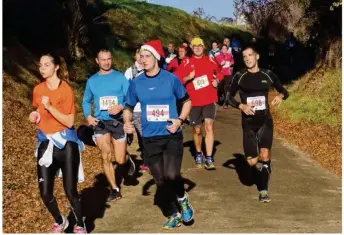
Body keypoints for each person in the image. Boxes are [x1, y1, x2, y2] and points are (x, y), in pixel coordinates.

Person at [123, 40, 194, 229]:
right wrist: (127, 122)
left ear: (156, 58)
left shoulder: (171, 79)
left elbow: (187, 101)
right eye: (141, 56)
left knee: (171, 175)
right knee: (160, 180)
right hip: (150, 138)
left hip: (171, 134)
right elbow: (128, 107)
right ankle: (173, 213)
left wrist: (180, 120)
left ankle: (182, 198)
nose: (143, 60)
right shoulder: (136, 83)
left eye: (147, 56)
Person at [29, 53, 87, 233]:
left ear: (56, 67)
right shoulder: (38, 89)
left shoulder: (65, 90)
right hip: (46, 142)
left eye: (46, 65)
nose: (42, 68)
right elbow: (38, 111)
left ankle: (80, 224)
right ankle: (60, 220)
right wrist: (34, 115)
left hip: (66, 142)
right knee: (45, 193)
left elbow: (70, 122)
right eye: (40, 65)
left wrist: (49, 107)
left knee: (70, 191)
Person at [227, 46, 289, 202]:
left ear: (257, 56)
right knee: (252, 161)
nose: (247, 58)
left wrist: (280, 96)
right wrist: (241, 106)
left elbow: (284, 91)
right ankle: (261, 168)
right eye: (244, 56)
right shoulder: (240, 76)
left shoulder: (267, 75)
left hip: (265, 121)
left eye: (250, 55)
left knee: (265, 154)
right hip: (248, 124)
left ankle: (263, 189)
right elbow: (227, 97)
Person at [82, 48, 135, 201]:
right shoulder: (92, 81)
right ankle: (115, 189)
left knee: (119, 160)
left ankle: (126, 157)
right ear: (97, 61)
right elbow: (85, 100)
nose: (106, 62)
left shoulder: (120, 78)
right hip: (101, 122)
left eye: (109, 59)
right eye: (103, 59)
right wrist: (88, 116)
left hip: (117, 121)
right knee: (105, 155)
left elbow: (130, 97)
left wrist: (120, 106)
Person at [177, 37, 224, 170]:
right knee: (197, 130)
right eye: (194, 46)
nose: (197, 48)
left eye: (200, 46)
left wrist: (217, 81)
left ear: (203, 47)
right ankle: (199, 153)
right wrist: (188, 77)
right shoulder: (186, 61)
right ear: (191, 48)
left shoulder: (210, 60)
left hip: (209, 99)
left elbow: (220, 73)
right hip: (194, 101)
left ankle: (209, 158)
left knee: (209, 126)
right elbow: (177, 79)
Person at [124, 46, 149, 173]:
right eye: (139, 53)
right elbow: (126, 91)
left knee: (150, 134)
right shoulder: (129, 72)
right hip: (137, 109)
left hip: (150, 108)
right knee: (142, 135)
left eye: (144, 54)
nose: (141, 57)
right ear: (135, 55)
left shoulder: (150, 69)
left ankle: (151, 160)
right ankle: (146, 160)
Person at [215, 44, 235, 109]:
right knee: (220, 88)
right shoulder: (218, 56)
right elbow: (221, 63)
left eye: (225, 49)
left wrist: (231, 63)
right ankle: (220, 99)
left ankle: (226, 103)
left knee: (227, 88)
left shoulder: (229, 55)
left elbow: (232, 61)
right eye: (223, 49)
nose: (224, 50)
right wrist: (224, 62)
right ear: (221, 50)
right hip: (221, 74)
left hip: (228, 73)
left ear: (227, 49)